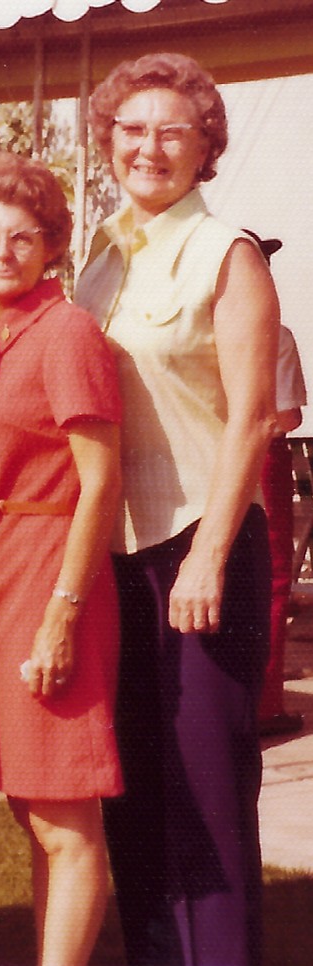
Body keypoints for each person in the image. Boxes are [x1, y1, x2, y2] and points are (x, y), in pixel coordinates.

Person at [75, 52, 279, 966]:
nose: (146, 147)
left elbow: (252, 419)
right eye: (129, 129)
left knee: (203, 774)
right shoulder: (100, 254)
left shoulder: (225, 254)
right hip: (113, 545)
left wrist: (206, 555)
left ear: (205, 146)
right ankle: (161, 958)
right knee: (134, 769)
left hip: (202, 541)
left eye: (169, 130)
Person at [0, 152, 123, 966]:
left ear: (51, 244)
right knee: (32, 807)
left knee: (63, 813)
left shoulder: (66, 332)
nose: (1, 251)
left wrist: (62, 611)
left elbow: (100, 483)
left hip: (50, 573)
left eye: (21, 236)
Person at [242, 232, 306, 738]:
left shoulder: (200, 330)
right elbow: (286, 417)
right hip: (261, 455)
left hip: (207, 452)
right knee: (273, 577)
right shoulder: (275, 335)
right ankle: (262, 705)